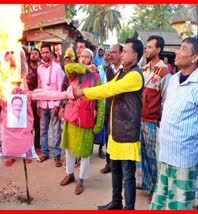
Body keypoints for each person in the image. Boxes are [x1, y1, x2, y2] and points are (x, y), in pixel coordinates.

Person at [73, 38, 144, 210]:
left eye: (125, 51)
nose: (122, 54)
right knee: (116, 170)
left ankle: (129, 208)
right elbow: (109, 86)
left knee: (128, 175)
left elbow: (109, 90)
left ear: (134, 56)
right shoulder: (122, 72)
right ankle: (116, 202)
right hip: (116, 131)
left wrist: (82, 92)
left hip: (127, 133)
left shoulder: (135, 75)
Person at [150, 37, 198, 210]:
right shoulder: (173, 80)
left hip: (183, 159)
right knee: (160, 203)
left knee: (179, 206)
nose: (177, 52)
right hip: (165, 154)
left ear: (195, 57)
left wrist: (192, 141)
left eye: (182, 49)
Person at [60, 48, 104, 195]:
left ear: (92, 60)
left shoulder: (96, 77)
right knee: (69, 148)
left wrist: (98, 124)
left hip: (86, 119)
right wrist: (84, 67)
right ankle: (70, 174)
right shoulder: (73, 72)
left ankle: (81, 180)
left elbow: (100, 102)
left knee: (85, 152)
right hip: (71, 116)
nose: (83, 59)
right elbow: (67, 66)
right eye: (81, 57)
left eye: (87, 57)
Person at [140, 35, 171, 203]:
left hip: (153, 122)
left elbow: (166, 100)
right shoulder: (144, 69)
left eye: (150, 47)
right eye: (146, 47)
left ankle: (155, 189)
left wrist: (161, 121)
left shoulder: (165, 72)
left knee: (153, 157)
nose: (146, 49)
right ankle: (147, 185)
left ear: (158, 50)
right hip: (141, 118)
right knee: (143, 154)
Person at [37, 42, 63, 167]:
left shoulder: (57, 67)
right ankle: (45, 152)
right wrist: (37, 104)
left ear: (51, 53)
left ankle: (57, 155)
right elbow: (38, 87)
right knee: (43, 130)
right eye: (43, 52)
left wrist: (58, 105)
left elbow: (60, 87)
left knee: (56, 130)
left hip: (53, 104)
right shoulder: (39, 69)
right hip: (42, 103)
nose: (45, 54)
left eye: (47, 52)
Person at [99, 44, 123, 174]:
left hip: (120, 109)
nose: (111, 55)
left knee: (118, 136)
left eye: (114, 52)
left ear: (121, 54)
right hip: (108, 107)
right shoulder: (108, 71)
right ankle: (109, 163)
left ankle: (118, 164)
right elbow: (104, 88)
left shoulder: (125, 71)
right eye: (110, 53)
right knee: (108, 135)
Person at [26, 48, 41, 153]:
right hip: (27, 101)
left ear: (39, 56)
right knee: (28, 126)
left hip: (38, 100)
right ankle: (28, 146)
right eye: (32, 53)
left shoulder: (41, 69)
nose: (33, 55)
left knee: (38, 125)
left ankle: (37, 146)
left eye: (36, 53)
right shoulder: (25, 68)